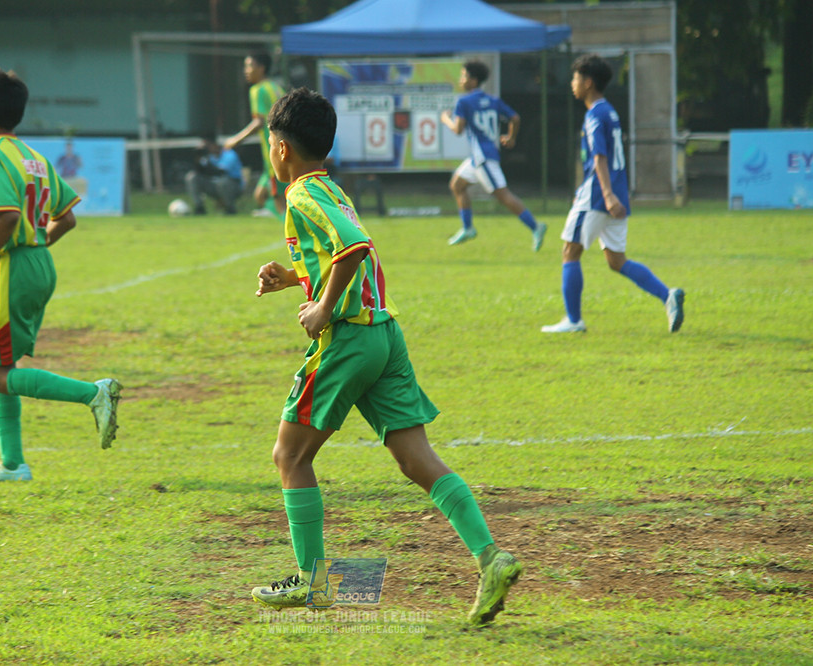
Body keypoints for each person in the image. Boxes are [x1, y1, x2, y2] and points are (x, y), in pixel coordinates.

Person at [251, 87, 522, 626]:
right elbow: (339, 254)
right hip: (385, 335)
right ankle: (492, 558)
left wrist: (323, 307)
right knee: (415, 458)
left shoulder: (301, 194)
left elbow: (355, 247)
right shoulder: (331, 187)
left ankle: (313, 583)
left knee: (290, 457)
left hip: (350, 338)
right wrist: (296, 279)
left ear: (280, 149)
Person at [0, 69, 122, 482]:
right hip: (39, 261)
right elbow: (66, 218)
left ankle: (93, 393)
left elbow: (8, 216)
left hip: (12, 266)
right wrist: (37, 245)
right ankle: (12, 464)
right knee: (2, 364)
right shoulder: (34, 157)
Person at [542, 55, 685, 334]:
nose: (572, 83)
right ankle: (668, 296)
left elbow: (599, 157)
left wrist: (604, 194)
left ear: (588, 82)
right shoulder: (610, 111)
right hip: (615, 193)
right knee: (616, 260)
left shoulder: (595, 114)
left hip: (600, 195)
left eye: (575, 78)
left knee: (570, 251)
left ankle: (573, 320)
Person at [440, 60, 546, 250]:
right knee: (457, 185)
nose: (461, 80)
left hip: (483, 158)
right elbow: (515, 117)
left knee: (503, 196)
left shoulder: (464, 102)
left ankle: (536, 226)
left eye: (464, 76)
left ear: (473, 80)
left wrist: (446, 119)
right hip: (480, 156)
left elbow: (458, 129)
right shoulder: (492, 100)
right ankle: (468, 228)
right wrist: (511, 138)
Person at [223, 52, 286, 216]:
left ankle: (292, 234)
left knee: (279, 198)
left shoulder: (258, 90)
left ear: (261, 68)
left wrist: (235, 140)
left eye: (249, 66)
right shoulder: (276, 87)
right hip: (287, 147)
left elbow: (259, 122)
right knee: (260, 196)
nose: (246, 70)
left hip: (274, 151)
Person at [184, 136, 243, 215]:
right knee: (192, 177)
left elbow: (220, 172)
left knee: (223, 182)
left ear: (215, 145)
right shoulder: (208, 156)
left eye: (208, 146)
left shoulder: (229, 154)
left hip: (233, 186)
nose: (207, 149)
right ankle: (199, 207)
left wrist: (206, 165)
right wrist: (198, 158)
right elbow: (200, 172)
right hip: (215, 186)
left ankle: (230, 208)